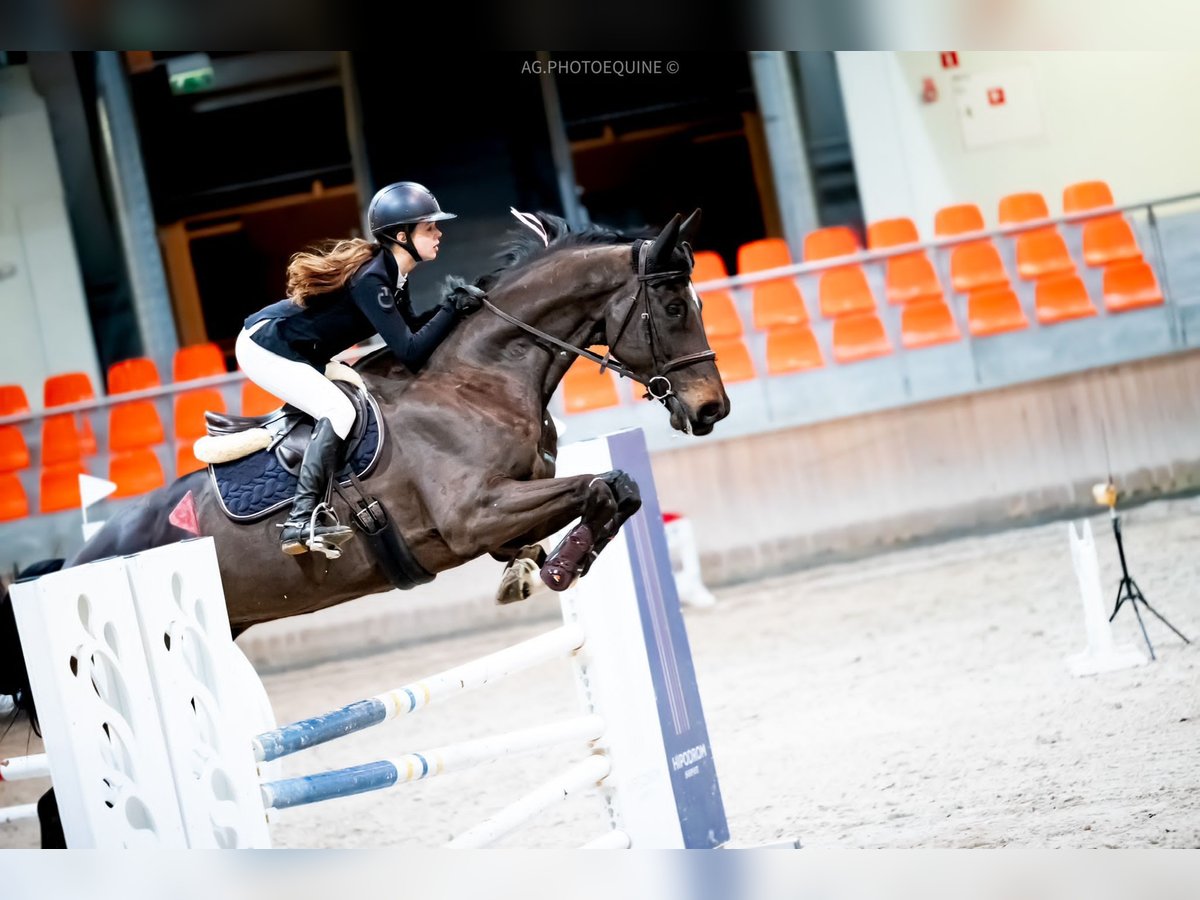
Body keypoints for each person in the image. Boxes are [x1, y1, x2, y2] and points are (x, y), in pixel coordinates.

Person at [235, 181, 483, 557]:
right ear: (402, 236)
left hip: (302, 349)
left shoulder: (394, 276)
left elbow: (412, 330)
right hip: (265, 347)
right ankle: (300, 521)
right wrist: (450, 309)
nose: (439, 233)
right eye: (429, 227)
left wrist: (457, 307)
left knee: (347, 403)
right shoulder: (373, 279)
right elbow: (410, 352)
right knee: (339, 409)